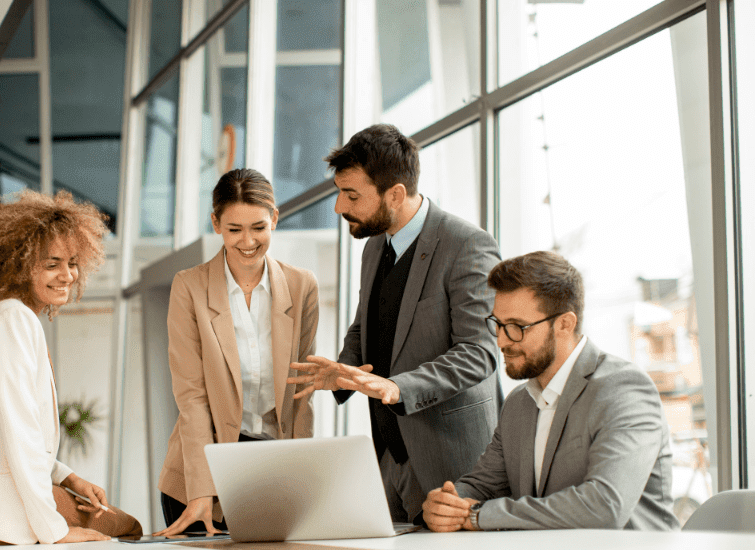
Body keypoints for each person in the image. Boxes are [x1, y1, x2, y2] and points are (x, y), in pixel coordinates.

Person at [288, 124, 502, 524]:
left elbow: (480, 352)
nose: (339, 207)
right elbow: (365, 324)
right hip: (388, 455)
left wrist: (397, 387)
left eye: (351, 195)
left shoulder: (466, 245)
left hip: (453, 463)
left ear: (396, 194)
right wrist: (342, 369)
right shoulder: (374, 246)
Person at [0, 190, 142, 546]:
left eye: (72, 262)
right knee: (126, 526)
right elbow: (19, 434)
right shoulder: (14, 320)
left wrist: (67, 478)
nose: (67, 275)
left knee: (105, 516)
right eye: (52, 264)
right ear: (17, 265)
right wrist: (56, 531)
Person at [421, 251, 678, 531]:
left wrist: (477, 515)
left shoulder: (624, 390)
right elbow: (482, 484)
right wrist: (447, 503)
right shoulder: (519, 403)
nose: (502, 341)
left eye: (517, 327)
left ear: (565, 324)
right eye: (498, 324)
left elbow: (605, 506)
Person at [156, 168, 319, 535]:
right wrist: (201, 490)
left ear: (275, 219)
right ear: (215, 223)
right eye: (234, 229)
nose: (248, 241)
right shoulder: (190, 288)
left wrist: (303, 480)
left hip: (272, 467)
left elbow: (301, 393)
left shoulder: (301, 285)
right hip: (203, 470)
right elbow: (192, 397)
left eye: (259, 227)